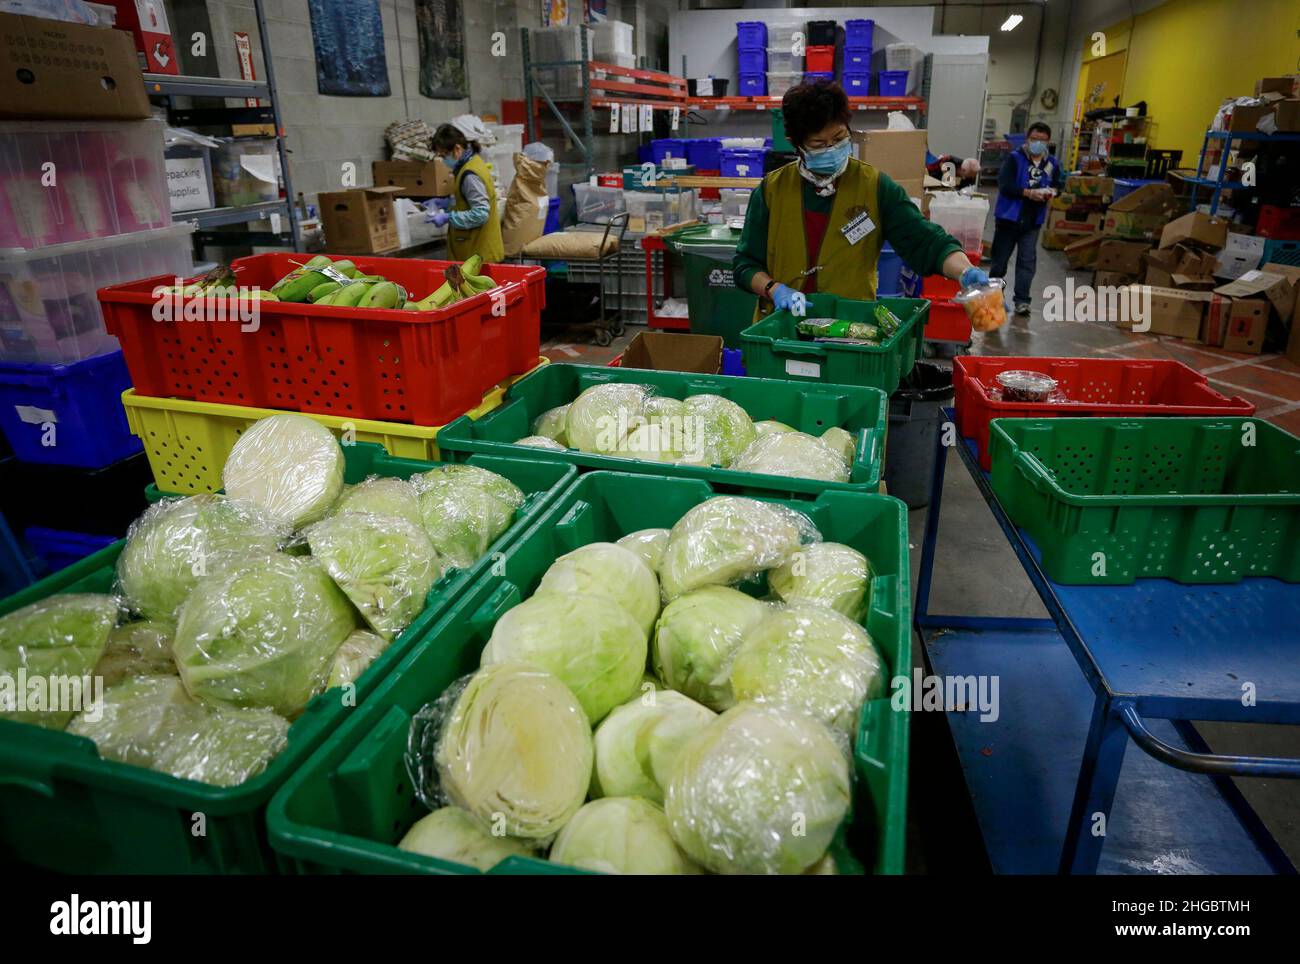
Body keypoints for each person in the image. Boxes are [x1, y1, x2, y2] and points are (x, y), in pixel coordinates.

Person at [733, 81, 986, 320]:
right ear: (796, 144)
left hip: (850, 329)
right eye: (819, 143)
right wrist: (774, 289)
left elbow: (927, 242)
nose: (831, 148)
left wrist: (965, 272)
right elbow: (745, 265)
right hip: (781, 326)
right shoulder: (771, 191)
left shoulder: (874, 186)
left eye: (840, 138)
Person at [991, 121, 1059, 316]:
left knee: (1027, 262)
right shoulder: (1014, 159)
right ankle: (995, 300)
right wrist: (1028, 193)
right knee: (999, 263)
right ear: (1028, 139)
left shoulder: (1052, 163)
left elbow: (1058, 184)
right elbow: (1005, 185)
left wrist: (1051, 192)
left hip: (1032, 221)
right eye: (1035, 139)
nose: (1038, 143)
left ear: (1048, 142)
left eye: (1043, 140)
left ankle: (1022, 301)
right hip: (1008, 219)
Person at [424, 115, 503, 263]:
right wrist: (446, 203)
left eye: (443, 155)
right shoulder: (471, 164)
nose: (442, 159)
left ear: (457, 149)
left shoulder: (470, 174)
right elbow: (466, 200)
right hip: (476, 252)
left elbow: (480, 213)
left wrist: (449, 217)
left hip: (479, 254)